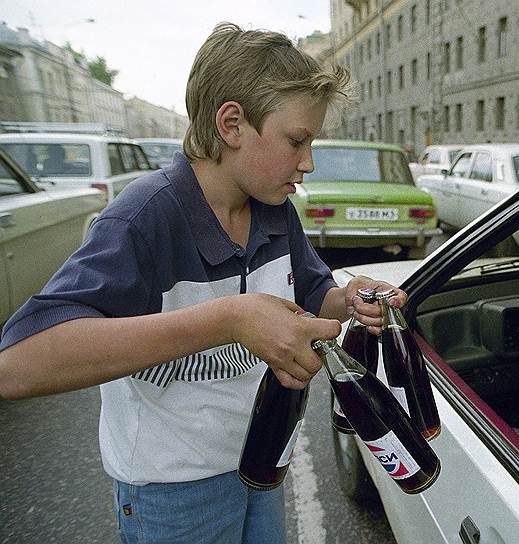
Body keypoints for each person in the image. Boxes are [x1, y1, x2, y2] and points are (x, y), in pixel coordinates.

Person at [0, 22, 404, 543]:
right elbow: (18, 363)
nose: (308, 163)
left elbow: (312, 293)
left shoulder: (276, 210)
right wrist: (228, 320)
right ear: (232, 124)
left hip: (261, 459)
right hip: (172, 491)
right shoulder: (145, 218)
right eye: (297, 141)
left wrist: (349, 301)